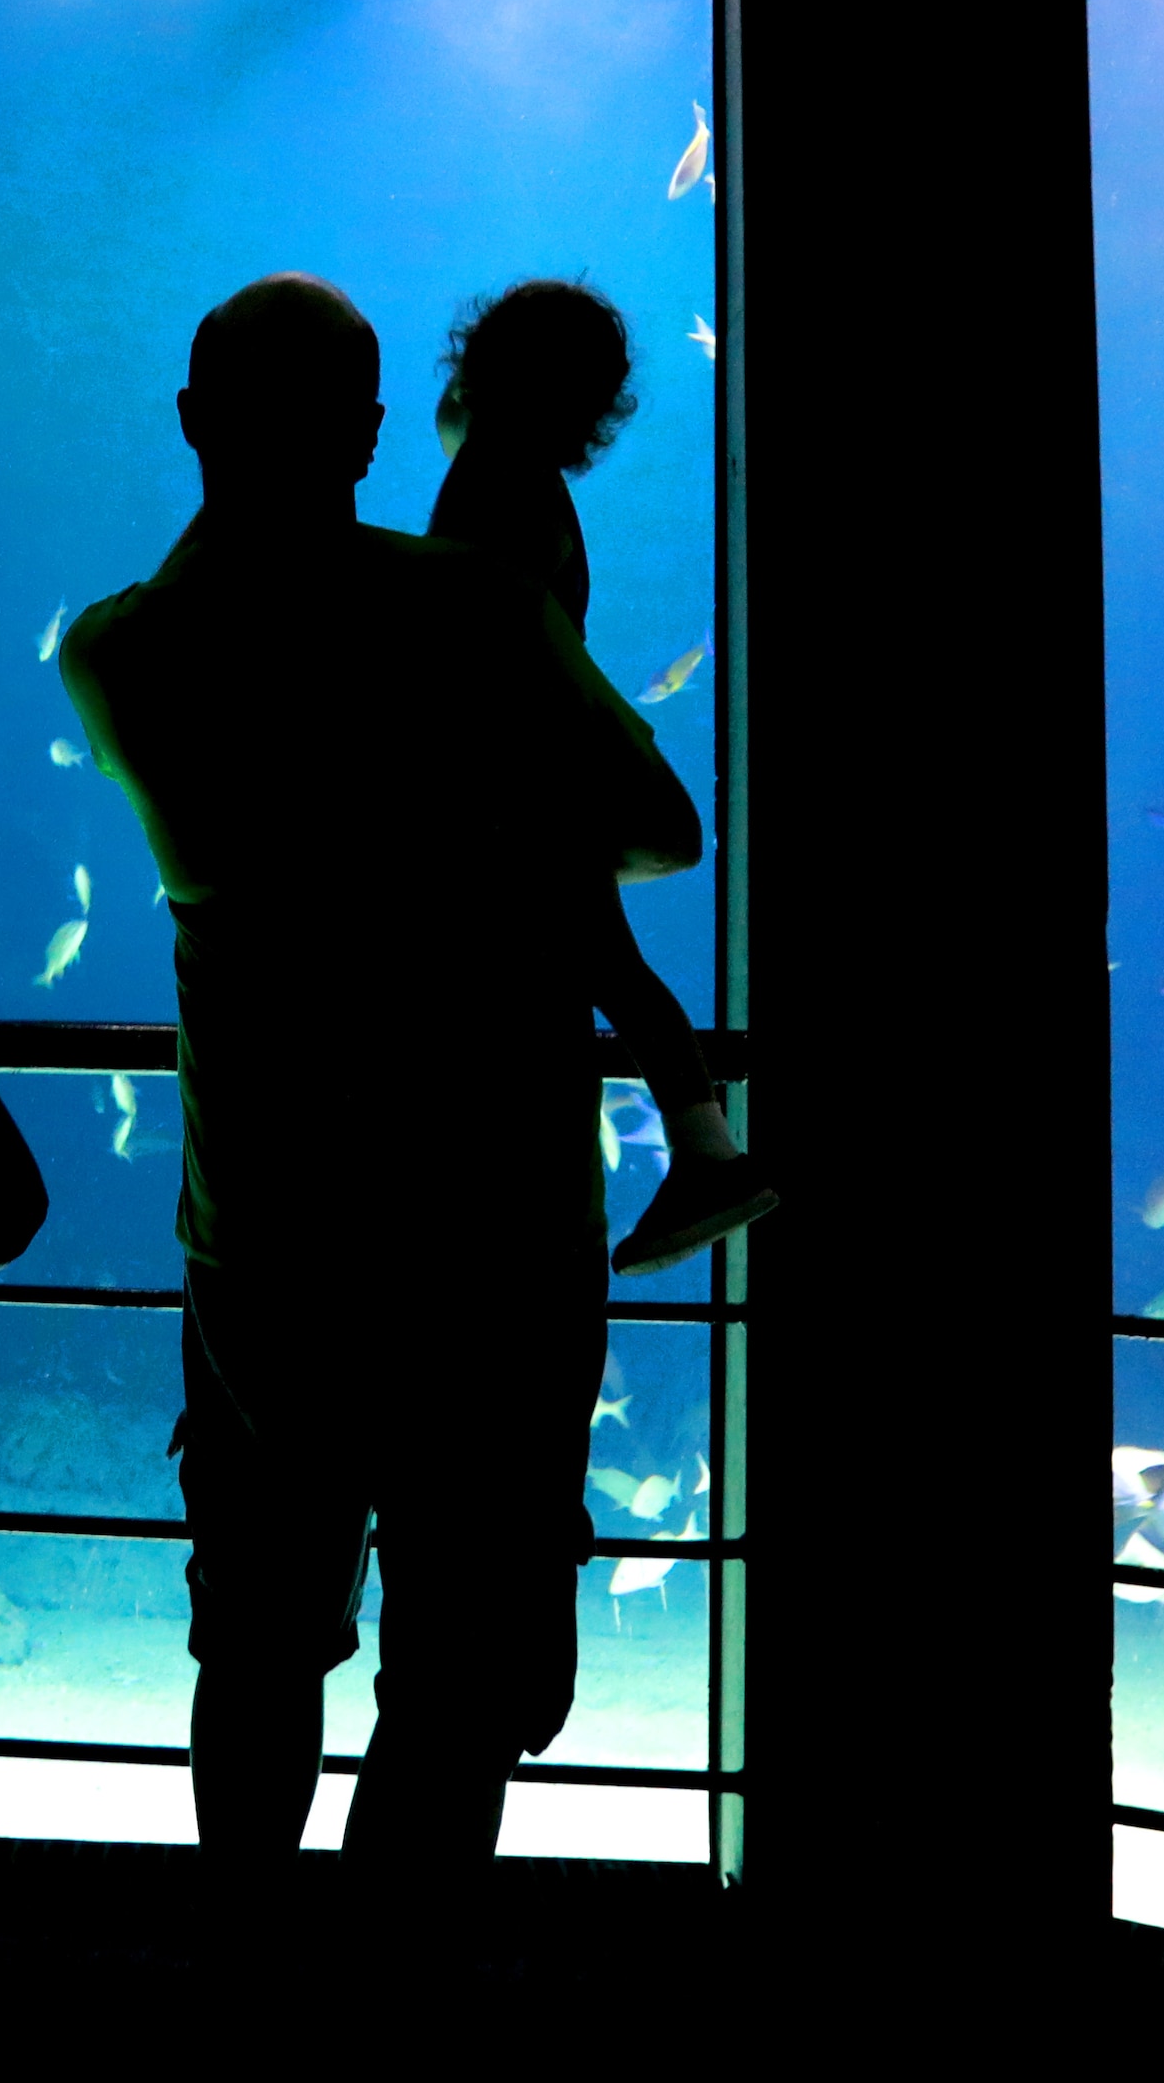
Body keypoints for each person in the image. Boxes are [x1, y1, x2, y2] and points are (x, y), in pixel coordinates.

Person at [61, 275, 702, 1907]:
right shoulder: (476, 611)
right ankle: (386, 2025)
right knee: (462, 1678)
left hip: (269, 1233)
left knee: (262, 1641)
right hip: (493, 1228)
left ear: (193, 418)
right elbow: (656, 825)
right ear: (367, 431)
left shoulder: (123, 651)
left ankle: (252, 1991)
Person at [421, 276, 773, 1274]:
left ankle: (708, 1157)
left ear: (482, 365)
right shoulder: (533, 477)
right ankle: (705, 1150)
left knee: (596, 961)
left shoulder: (492, 475)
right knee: (607, 959)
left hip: (521, 779)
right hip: (553, 763)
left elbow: (469, 636)